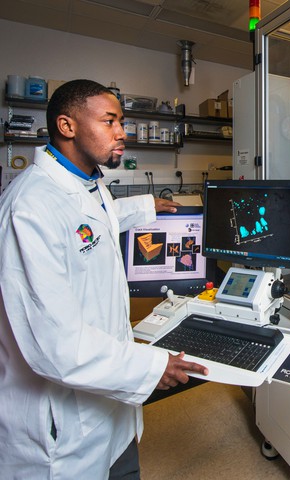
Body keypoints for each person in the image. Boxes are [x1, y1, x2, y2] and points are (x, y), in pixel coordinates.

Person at [0, 79, 209, 479]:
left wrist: (150, 205)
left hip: (108, 405)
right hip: (62, 431)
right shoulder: (30, 208)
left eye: (123, 122)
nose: (121, 132)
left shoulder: (85, 184)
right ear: (67, 126)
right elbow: (57, 347)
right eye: (110, 121)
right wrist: (151, 367)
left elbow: (98, 218)